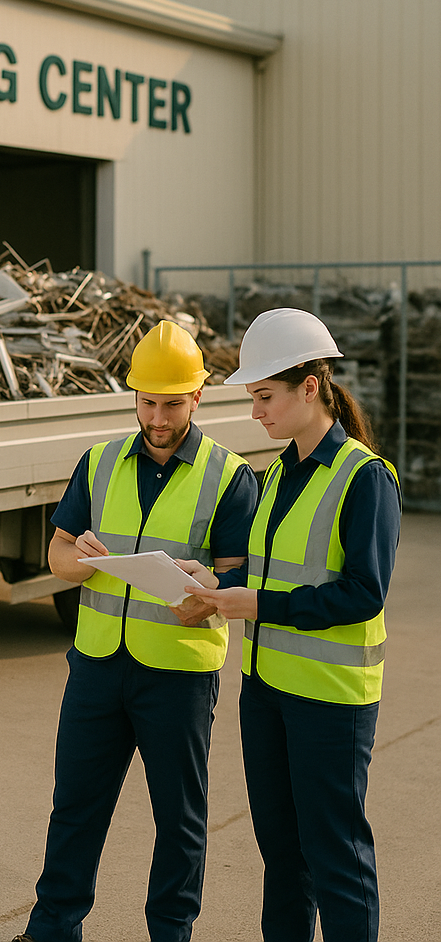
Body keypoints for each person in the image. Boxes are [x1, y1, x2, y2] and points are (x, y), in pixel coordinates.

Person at [14, 320, 259, 942]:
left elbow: (238, 583)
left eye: (172, 403)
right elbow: (58, 557)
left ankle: (171, 932)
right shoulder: (98, 464)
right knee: (75, 807)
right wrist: (85, 561)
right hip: (97, 666)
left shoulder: (229, 477)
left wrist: (206, 590)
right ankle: (52, 929)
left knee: (178, 819)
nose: (157, 416)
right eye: (147, 401)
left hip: (177, 673)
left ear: (197, 398)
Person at [181, 308, 401, 942]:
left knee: (336, 856)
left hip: (331, 703)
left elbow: (364, 593)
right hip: (268, 694)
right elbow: (263, 573)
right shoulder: (276, 472)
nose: (256, 412)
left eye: (264, 396)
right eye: (254, 399)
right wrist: (210, 586)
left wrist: (259, 606)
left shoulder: (365, 478)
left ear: (311, 386)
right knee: (281, 857)